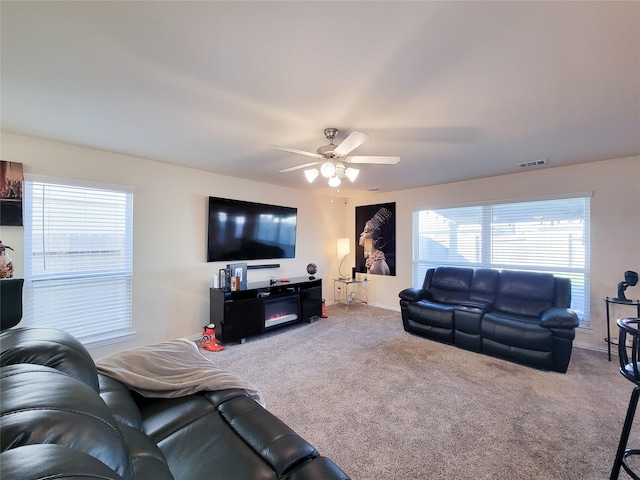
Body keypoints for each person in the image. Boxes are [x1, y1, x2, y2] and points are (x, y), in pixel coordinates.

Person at [358, 207, 392, 275]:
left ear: (375, 239)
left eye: (366, 231)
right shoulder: (374, 262)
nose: (361, 234)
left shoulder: (376, 266)